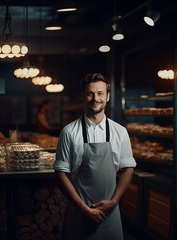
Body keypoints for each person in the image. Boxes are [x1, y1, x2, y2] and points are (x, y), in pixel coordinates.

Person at [54, 73, 136, 239]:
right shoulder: (69, 132)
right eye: (90, 93)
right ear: (83, 96)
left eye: (100, 93)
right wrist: (84, 209)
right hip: (79, 212)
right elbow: (60, 174)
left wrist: (113, 202)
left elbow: (128, 168)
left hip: (110, 212)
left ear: (108, 96)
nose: (95, 98)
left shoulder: (120, 132)